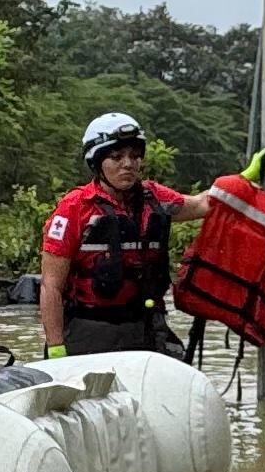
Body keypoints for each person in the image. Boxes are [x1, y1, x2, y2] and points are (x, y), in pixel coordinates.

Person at [36, 109, 198, 360]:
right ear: (97, 162)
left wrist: (243, 181)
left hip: (143, 328)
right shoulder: (74, 208)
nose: (128, 164)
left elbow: (202, 205)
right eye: (117, 157)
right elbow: (51, 286)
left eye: (135, 156)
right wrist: (56, 347)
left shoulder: (154, 198)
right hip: (88, 328)